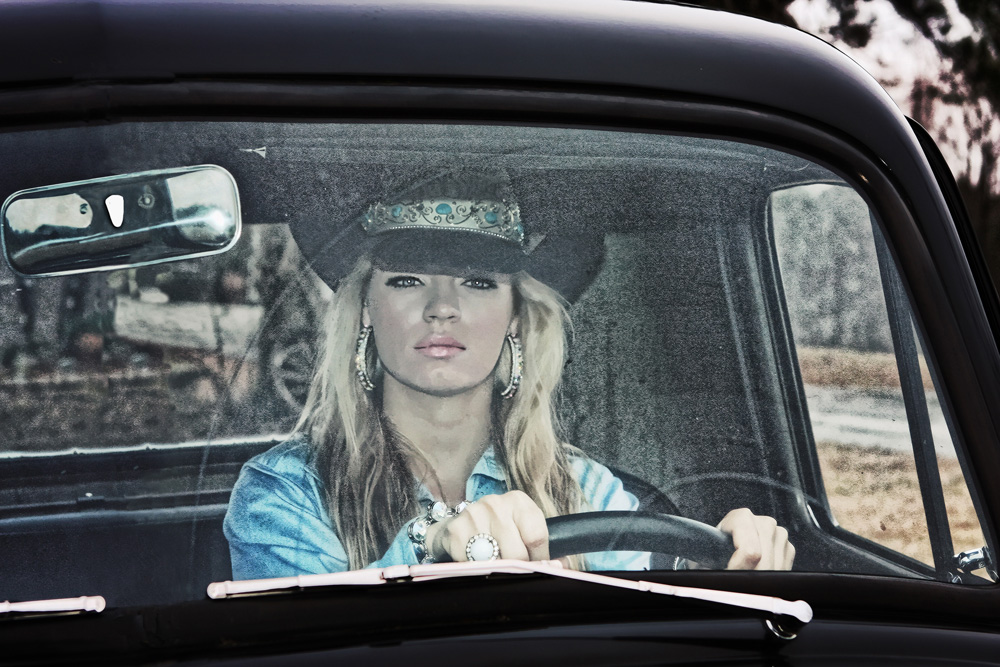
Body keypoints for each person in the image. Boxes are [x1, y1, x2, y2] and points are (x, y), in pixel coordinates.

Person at [223, 171, 795, 579]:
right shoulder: (287, 492)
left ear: (516, 317)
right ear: (366, 309)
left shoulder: (585, 489)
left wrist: (723, 569)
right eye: (407, 280)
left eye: (478, 282)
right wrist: (431, 551)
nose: (442, 308)